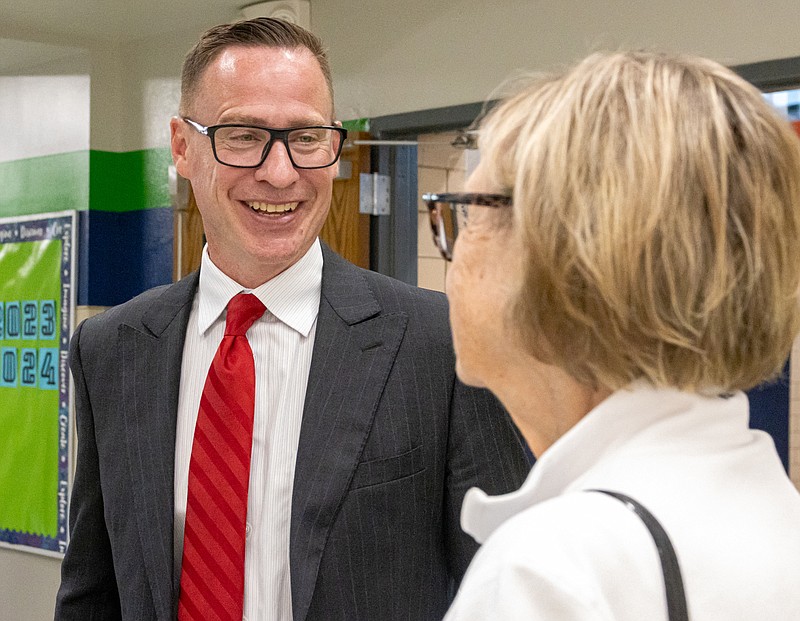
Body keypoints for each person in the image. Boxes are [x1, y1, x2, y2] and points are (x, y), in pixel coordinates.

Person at [54, 17, 530, 621]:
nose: (280, 173)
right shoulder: (113, 349)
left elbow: (507, 587)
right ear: (182, 146)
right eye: (244, 135)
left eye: (306, 138)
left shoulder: (439, 342)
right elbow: (93, 593)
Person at [425, 51, 800, 620]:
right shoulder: (769, 507)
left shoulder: (553, 570)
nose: (451, 257)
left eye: (467, 216)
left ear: (564, 259)